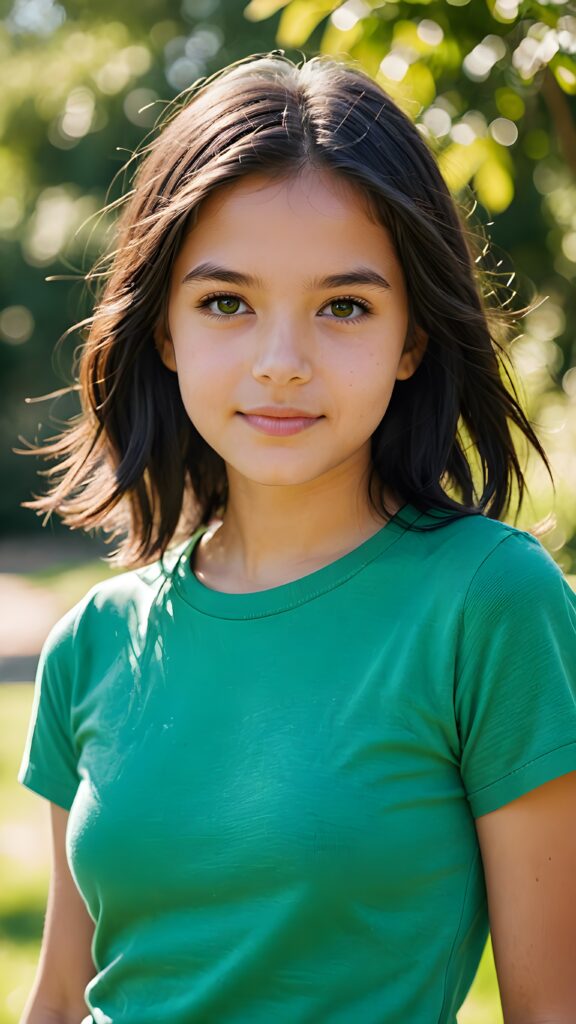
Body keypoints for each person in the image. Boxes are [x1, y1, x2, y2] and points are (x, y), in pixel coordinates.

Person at [17, 50, 576, 1024]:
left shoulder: (490, 604)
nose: (282, 362)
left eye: (344, 306)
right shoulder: (92, 640)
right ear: (165, 329)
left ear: (411, 338)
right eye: (227, 302)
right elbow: (62, 998)